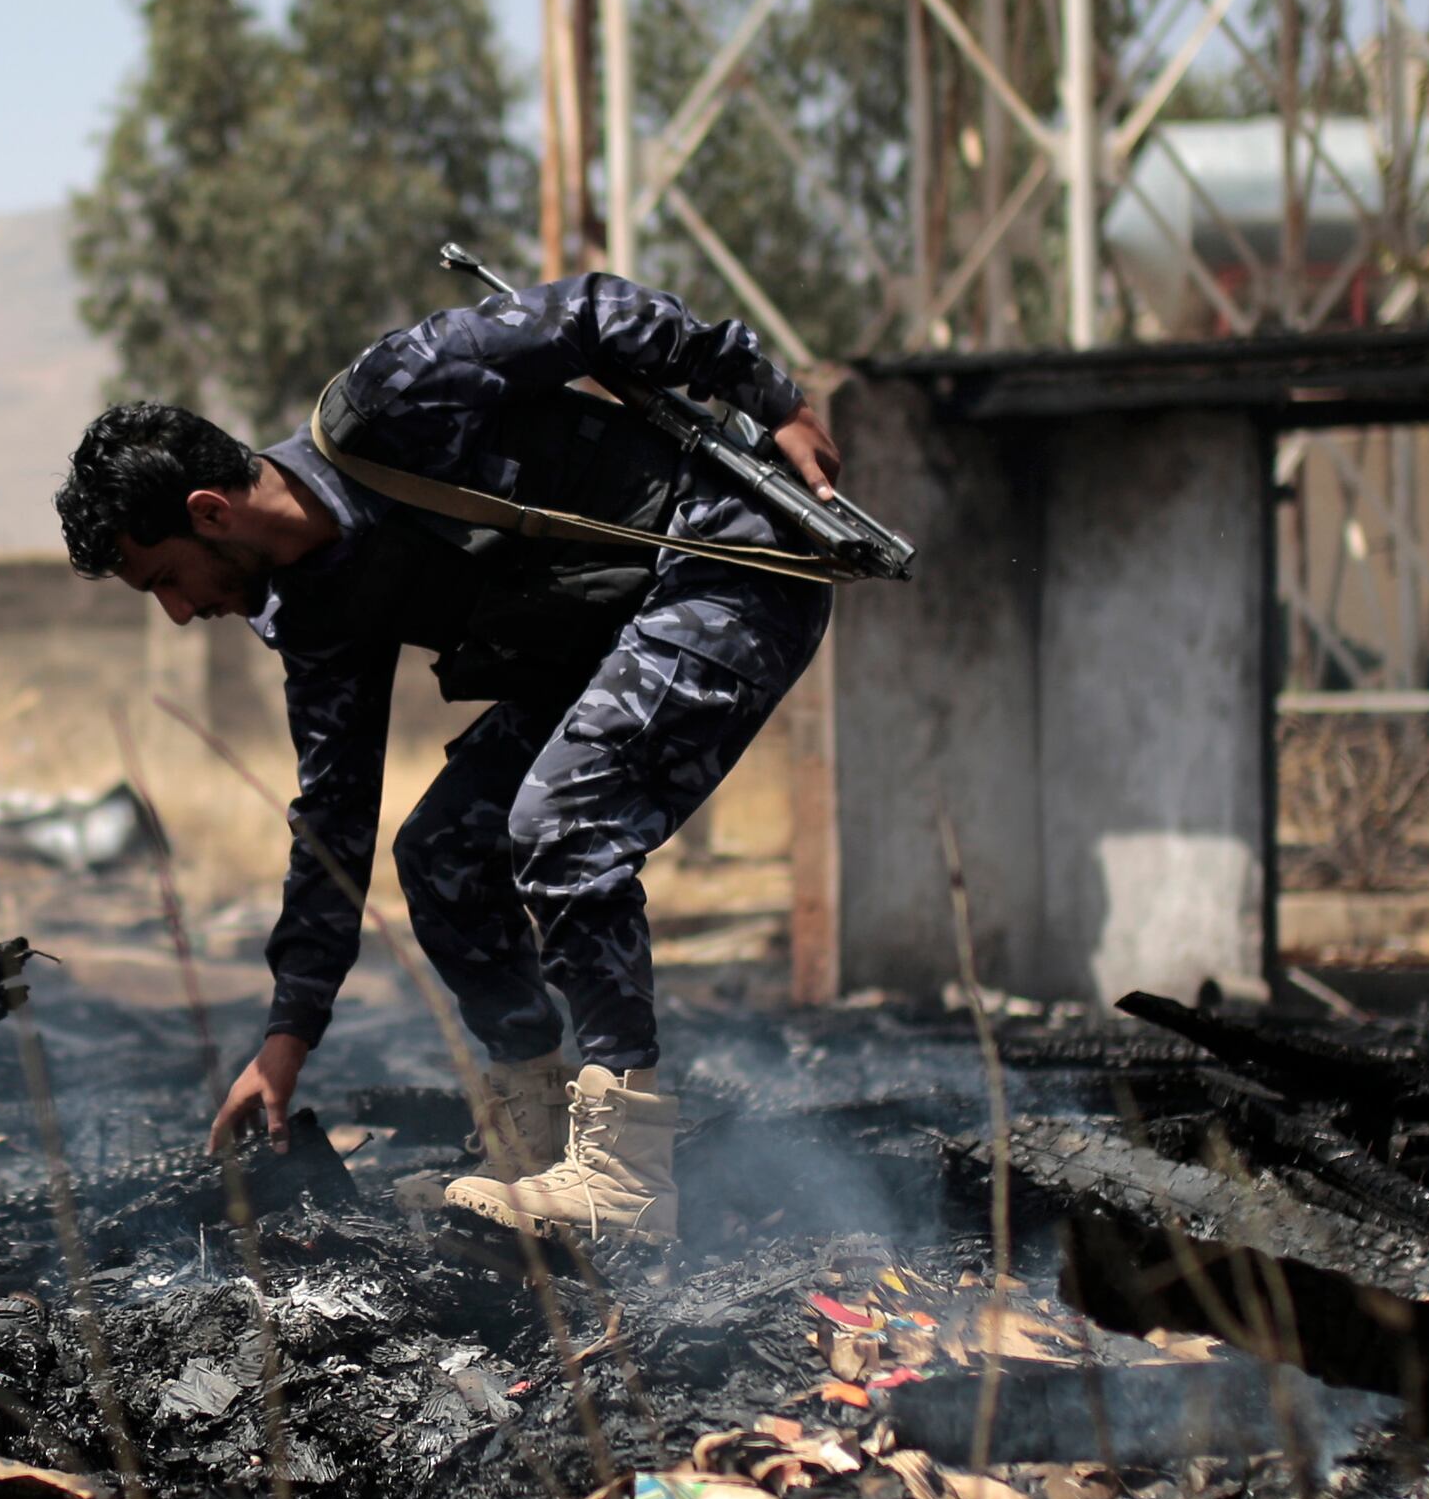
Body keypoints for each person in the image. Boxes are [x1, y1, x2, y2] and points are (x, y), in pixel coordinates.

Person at [54, 269, 842, 1246]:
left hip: (726, 565)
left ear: (210, 510)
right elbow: (332, 822)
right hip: (610, 638)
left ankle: (626, 1174)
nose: (178, 612)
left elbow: (594, 314)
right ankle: (538, 1136)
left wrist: (776, 400)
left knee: (563, 818)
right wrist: (284, 1040)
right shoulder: (312, 614)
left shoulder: (390, 400)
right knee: (443, 853)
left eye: (166, 579)